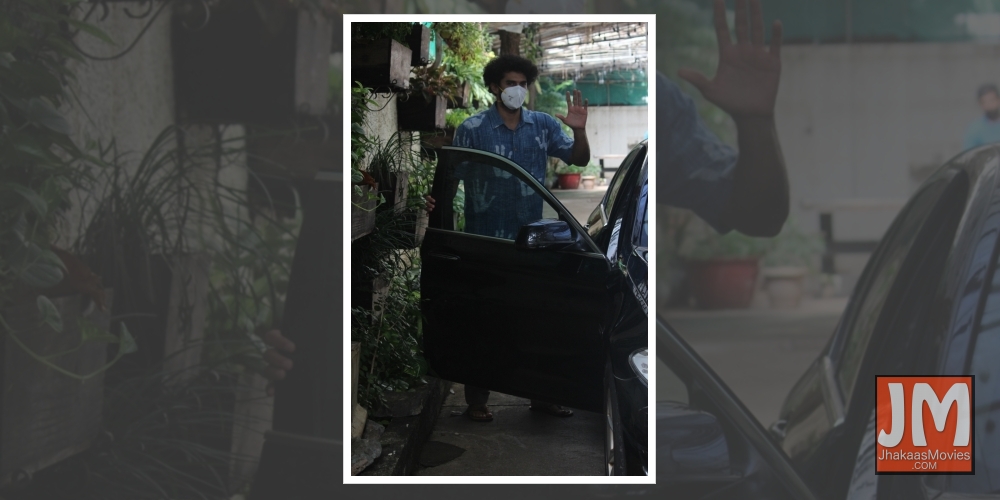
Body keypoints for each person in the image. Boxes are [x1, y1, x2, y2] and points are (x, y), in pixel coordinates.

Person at [261, 0, 791, 420]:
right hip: (486, 240)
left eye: (523, 84)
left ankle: (544, 396)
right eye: (509, 84)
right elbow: (454, 180)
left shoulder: (543, 126)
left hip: (532, 240)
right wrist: (439, 216)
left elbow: (578, 160)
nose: (517, 90)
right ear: (495, 87)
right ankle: (477, 400)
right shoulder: (473, 130)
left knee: (536, 320)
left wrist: (579, 131)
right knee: (481, 321)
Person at [963, 83, 1000, 150]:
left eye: (992, 100)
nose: (990, 105)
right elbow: (969, 154)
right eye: (985, 102)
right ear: (981, 104)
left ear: (998, 100)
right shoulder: (974, 129)